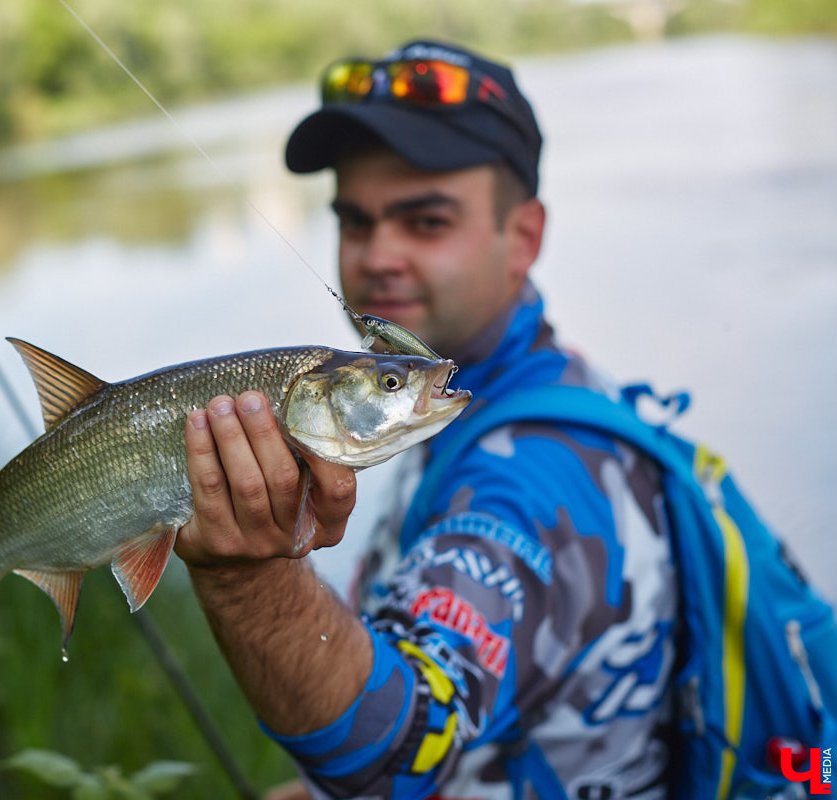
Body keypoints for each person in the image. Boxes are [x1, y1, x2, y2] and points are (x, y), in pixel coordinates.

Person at [173, 38, 679, 800]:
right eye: (354, 220)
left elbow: (401, 751)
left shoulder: (536, 474)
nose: (377, 256)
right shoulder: (476, 391)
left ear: (526, 238)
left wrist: (248, 578)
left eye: (427, 221)